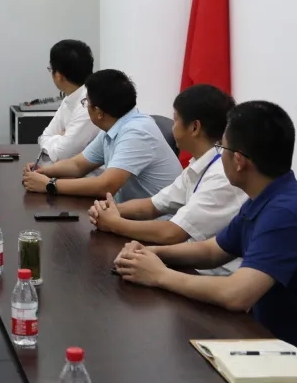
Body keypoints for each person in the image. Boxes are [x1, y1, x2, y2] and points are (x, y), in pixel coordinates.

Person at [113, 101, 297, 347]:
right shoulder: (267, 196)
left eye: (221, 147)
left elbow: (236, 294)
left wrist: (160, 275)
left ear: (238, 160)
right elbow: (212, 251)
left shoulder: (287, 212)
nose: (220, 155)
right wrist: (151, 253)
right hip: (268, 336)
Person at [89, 85, 247, 272]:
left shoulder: (221, 175)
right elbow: (153, 205)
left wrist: (114, 223)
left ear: (194, 127)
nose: (172, 128)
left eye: (176, 120)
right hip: (188, 261)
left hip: (213, 275)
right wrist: (109, 210)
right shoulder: (199, 164)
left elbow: (172, 233)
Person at [22, 69, 181, 202]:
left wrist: (49, 184)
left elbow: (106, 186)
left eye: (86, 102)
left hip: (158, 222)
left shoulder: (137, 132)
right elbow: (78, 165)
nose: (85, 106)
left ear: (99, 112)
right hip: (129, 215)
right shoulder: (114, 126)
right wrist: (43, 171)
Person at [35, 40, 99, 164]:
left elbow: (62, 154)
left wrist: (61, 138)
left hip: (91, 174)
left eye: (50, 69)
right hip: (69, 170)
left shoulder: (89, 103)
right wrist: (62, 138)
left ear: (59, 75)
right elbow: (44, 137)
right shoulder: (70, 98)